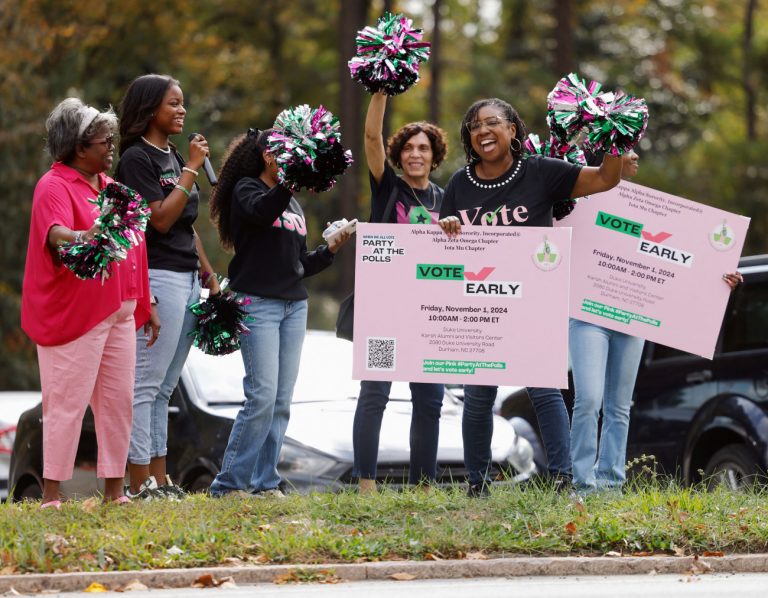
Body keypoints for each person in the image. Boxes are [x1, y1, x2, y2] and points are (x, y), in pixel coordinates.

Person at [438, 98, 624, 496]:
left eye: (491, 122)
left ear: (512, 129)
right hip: (481, 302)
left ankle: (561, 477)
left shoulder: (541, 172)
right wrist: (448, 224)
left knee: (544, 389)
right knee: (478, 396)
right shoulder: (458, 184)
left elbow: (607, 179)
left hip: (534, 301)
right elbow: (442, 241)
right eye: (474, 125)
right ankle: (477, 482)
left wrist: (613, 133)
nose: (482, 131)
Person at [568, 150, 744, 493]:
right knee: (588, 398)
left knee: (620, 406)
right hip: (589, 315)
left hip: (632, 318)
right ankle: (583, 486)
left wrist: (721, 274)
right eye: (628, 149)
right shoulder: (581, 199)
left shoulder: (655, 211)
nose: (635, 156)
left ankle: (611, 485)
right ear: (610, 156)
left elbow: (684, 260)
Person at [21, 98, 156, 508]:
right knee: (67, 405)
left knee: (118, 404)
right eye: (104, 142)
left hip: (119, 310)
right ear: (80, 147)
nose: (112, 148)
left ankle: (115, 492)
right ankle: (52, 496)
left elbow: (136, 251)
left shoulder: (115, 191)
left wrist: (145, 304)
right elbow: (55, 232)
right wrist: (86, 235)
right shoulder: (55, 185)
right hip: (76, 315)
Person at [207, 128, 351, 497]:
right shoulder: (247, 190)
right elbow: (260, 211)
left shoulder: (293, 205)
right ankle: (228, 485)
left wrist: (330, 250)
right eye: (285, 152)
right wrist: (289, 181)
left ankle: (264, 482)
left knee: (282, 401)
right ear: (269, 157)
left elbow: (298, 264)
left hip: (293, 306)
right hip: (257, 303)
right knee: (262, 396)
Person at [116, 74, 220, 498]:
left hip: (187, 276)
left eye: (182, 103)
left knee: (165, 385)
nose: (181, 111)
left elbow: (187, 227)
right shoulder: (136, 160)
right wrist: (192, 168)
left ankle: (160, 478)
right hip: (156, 275)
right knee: (145, 382)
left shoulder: (174, 156)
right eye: (172, 104)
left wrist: (210, 276)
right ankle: (139, 480)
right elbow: (159, 219)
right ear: (149, 108)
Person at [352, 92, 450, 493]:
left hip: (430, 315)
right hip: (385, 312)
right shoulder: (388, 188)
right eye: (408, 148)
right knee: (376, 392)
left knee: (429, 401)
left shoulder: (447, 199)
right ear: (399, 155)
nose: (415, 154)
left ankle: (423, 486)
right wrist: (380, 91)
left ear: (434, 155)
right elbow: (371, 138)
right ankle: (366, 483)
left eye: (423, 148)